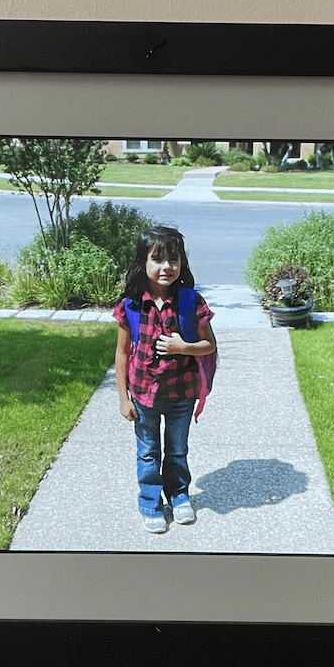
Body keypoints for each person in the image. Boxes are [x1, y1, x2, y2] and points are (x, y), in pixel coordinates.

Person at [113, 227, 217, 534]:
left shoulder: (190, 302)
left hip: (182, 394)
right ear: (142, 263)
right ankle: (150, 502)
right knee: (147, 451)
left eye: (174, 259)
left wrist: (182, 347)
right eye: (157, 259)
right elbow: (121, 354)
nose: (166, 266)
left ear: (182, 263)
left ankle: (178, 495)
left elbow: (209, 345)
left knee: (176, 450)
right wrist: (123, 397)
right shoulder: (130, 305)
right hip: (143, 396)